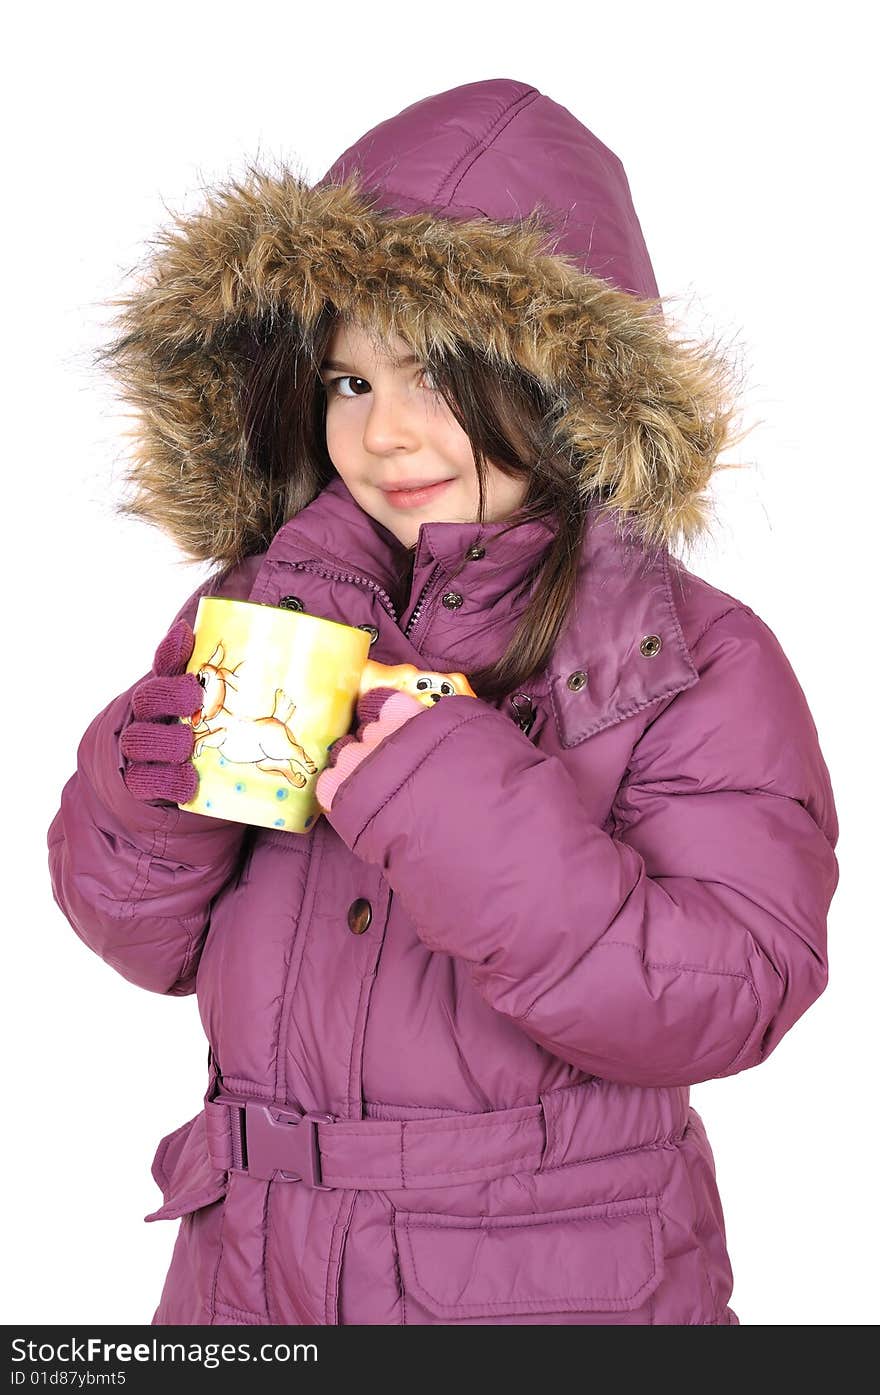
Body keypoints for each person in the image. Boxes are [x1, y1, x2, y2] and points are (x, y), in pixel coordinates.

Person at [47, 77, 839, 1327]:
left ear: (564, 385)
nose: (385, 437)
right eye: (350, 382)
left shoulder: (683, 653)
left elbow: (733, 988)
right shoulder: (274, 601)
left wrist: (452, 802)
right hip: (247, 1278)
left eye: (431, 377)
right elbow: (144, 939)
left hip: (540, 1287)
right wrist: (146, 795)